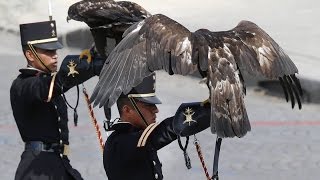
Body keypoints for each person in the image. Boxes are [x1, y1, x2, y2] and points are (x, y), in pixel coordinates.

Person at [10, 20, 105, 180]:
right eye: (47, 51)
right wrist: (83, 69)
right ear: (30, 55)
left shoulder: (47, 80)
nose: (54, 55)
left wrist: (93, 60)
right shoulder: (22, 85)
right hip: (36, 169)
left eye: (55, 50)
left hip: (59, 163)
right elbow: (48, 86)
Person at [103, 72, 211, 180]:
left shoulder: (132, 136)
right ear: (127, 110)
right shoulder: (118, 143)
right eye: (148, 105)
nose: (156, 110)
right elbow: (155, 136)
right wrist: (197, 115)